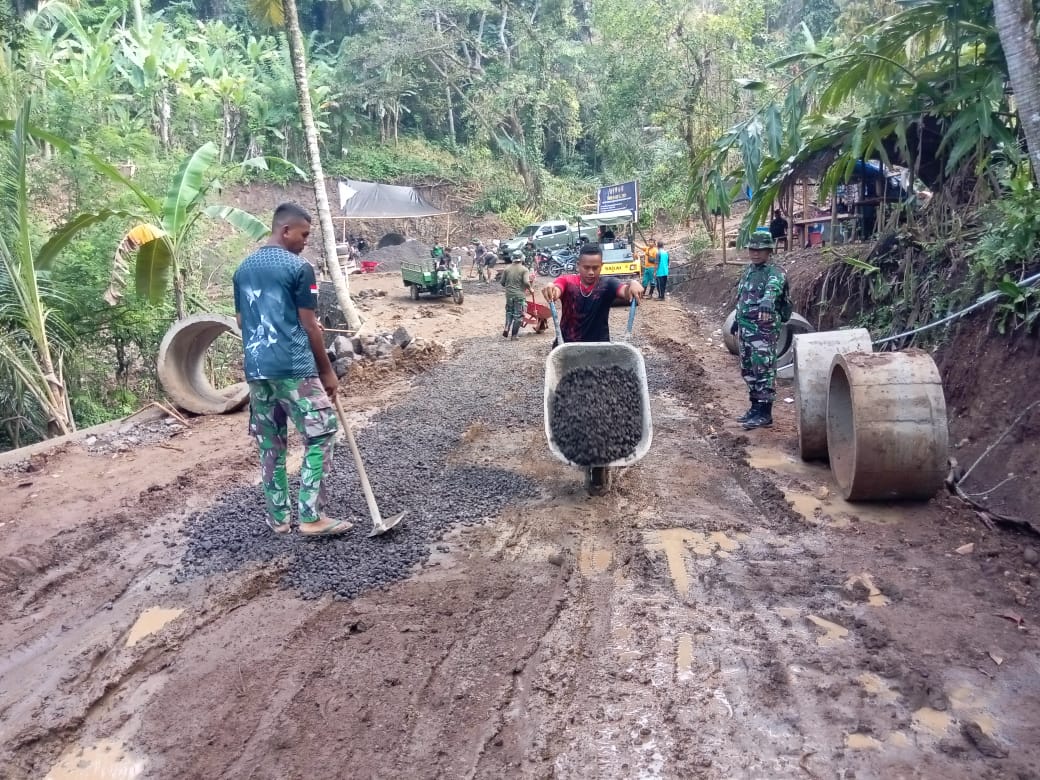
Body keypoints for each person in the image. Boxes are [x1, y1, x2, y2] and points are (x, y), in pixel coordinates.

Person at [232, 203, 350, 537]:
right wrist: (326, 372)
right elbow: (311, 326)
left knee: (271, 443)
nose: (306, 241)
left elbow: (242, 321)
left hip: (256, 370)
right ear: (286, 230)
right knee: (323, 431)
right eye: (304, 234)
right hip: (294, 367)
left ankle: (279, 519)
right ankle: (311, 516)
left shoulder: (242, 270)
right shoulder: (299, 268)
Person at [730, 230, 790, 430]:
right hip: (746, 329)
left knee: (763, 369)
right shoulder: (749, 271)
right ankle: (755, 407)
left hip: (763, 330)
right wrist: (737, 321)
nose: (755, 253)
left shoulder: (775, 273)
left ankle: (765, 413)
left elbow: (773, 289)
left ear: (768, 251)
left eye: (760, 250)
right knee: (748, 369)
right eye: (752, 249)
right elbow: (743, 298)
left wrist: (766, 302)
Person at [541, 242, 642, 344]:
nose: (591, 272)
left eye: (595, 268)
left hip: (598, 348)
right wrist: (551, 288)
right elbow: (556, 290)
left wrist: (633, 283)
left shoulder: (607, 284)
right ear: (578, 265)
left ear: (601, 266)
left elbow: (626, 292)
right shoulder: (568, 281)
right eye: (586, 267)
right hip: (567, 348)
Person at [500, 252, 533, 340]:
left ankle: (507, 327)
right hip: (519, 296)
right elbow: (526, 282)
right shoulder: (524, 269)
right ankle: (514, 335)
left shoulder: (507, 269)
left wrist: (509, 286)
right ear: (522, 258)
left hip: (509, 295)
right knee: (519, 316)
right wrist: (530, 289)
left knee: (509, 312)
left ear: (512, 258)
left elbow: (502, 282)